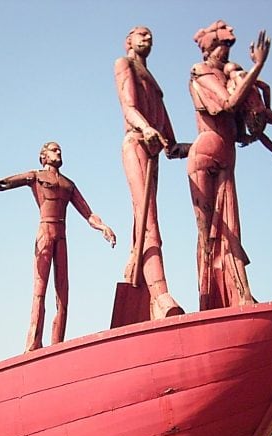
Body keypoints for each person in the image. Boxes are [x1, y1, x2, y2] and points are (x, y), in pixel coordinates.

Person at [0, 142, 116, 352]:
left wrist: (103, 227)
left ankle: (57, 344)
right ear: (43, 157)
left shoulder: (68, 184)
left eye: (60, 149)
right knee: (39, 290)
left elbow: (87, 213)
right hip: (45, 234)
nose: (58, 152)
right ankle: (33, 343)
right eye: (54, 150)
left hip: (61, 237)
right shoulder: (35, 176)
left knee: (63, 292)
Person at [187, 20, 270, 310]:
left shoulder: (230, 74)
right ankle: (208, 301)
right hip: (207, 155)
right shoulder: (201, 73)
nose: (225, 52)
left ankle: (241, 294)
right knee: (208, 232)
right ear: (209, 47)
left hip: (225, 155)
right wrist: (258, 67)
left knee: (231, 227)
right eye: (222, 46)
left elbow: (243, 123)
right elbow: (227, 104)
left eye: (228, 47)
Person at [114, 26, 189, 320]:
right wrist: (145, 128)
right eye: (141, 34)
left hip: (154, 155)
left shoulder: (155, 85)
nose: (148, 38)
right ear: (128, 40)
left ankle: (136, 266)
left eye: (151, 36)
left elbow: (170, 143)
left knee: (143, 218)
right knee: (149, 221)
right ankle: (160, 295)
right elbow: (128, 107)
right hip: (136, 144)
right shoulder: (124, 64)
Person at [223, 60, 272, 162]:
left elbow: (233, 108)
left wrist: (241, 130)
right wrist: (268, 107)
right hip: (260, 110)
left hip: (249, 117)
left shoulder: (228, 86)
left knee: (259, 134)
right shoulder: (244, 74)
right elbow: (266, 88)